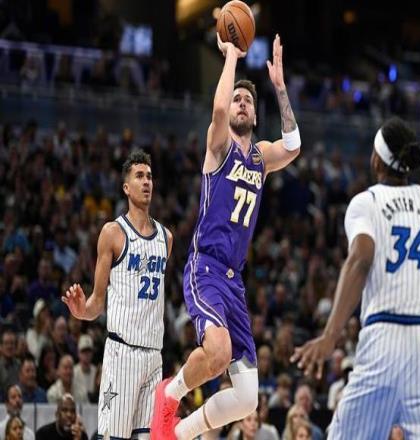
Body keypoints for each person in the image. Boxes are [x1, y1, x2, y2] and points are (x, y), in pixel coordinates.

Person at [291, 116, 420, 438]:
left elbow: (361, 258)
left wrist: (330, 335)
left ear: (376, 160)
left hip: (384, 338)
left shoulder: (367, 203)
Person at [151, 33, 301, 439]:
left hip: (235, 280)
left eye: (248, 100)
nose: (241, 103)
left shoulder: (261, 157)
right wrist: (232, 56)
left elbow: (293, 146)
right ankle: (169, 394)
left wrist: (280, 88)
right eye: (237, 99)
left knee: (248, 397)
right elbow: (217, 109)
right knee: (218, 353)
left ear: (255, 116)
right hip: (206, 268)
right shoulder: (219, 148)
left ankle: (179, 433)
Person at [62, 149, 173, 440]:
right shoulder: (112, 233)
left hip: (154, 356)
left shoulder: (166, 238)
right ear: (126, 187)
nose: (146, 182)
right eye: (139, 176)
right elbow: (97, 302)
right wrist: (81, 311)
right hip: (122, 353)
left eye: (149, 176)